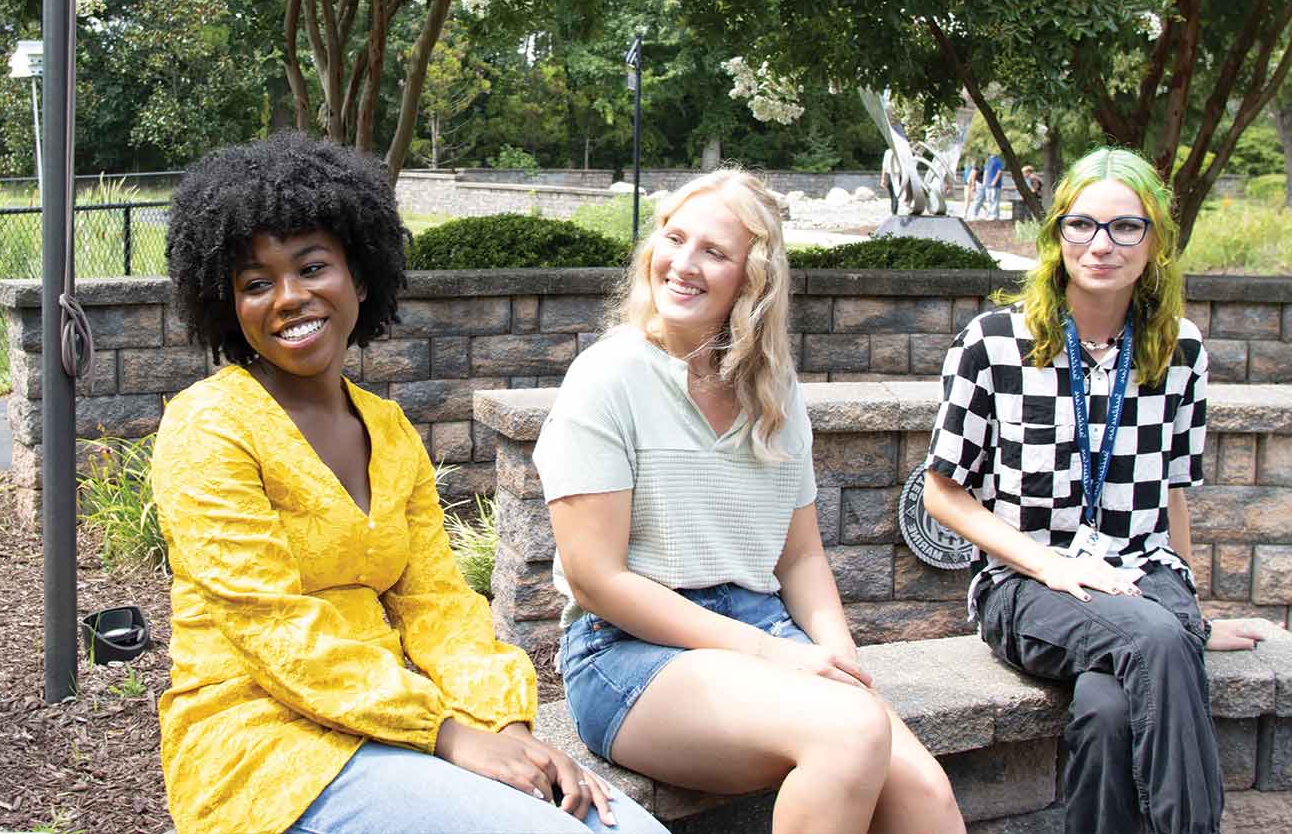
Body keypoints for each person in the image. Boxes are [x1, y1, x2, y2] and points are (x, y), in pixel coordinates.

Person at [151, 131, 668, 834]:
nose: (289, 297)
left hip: (400, 724)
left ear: (360, 276)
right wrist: (450, 735)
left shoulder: (389, 430)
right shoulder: (208, 427)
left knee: (622, 827)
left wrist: (505, 725)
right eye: (256, 283)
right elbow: (274, 630)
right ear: (229, 307)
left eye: (311, 267)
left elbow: (438, 604)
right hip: (265, 745)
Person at [534, 169, 965, 834]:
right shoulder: (608, 377)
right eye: (674, 239)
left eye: (714, 251)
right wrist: (774, 656)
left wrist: (841, 663)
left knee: (926, 799)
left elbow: (800, 560)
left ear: (752, 278)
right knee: (849, 735)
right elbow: (596, 579)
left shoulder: (775, 392)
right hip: (629, 652)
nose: (682, 263)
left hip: (760, 629)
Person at [922, 147, 1265, 834]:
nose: (1100, 245)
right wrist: (1055, 566)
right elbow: (943, 494)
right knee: (1159, 644)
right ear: (1056, 236)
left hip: (1144, 577)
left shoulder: (1181, 350)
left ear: (1154, 243)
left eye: (1125, 228)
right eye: (1082, 225)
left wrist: (1189, 612)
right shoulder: (993, 344)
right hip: (1028, 582)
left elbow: (1171, 494)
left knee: (1108, 709)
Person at [981, 153, 1004, 219]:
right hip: (987, 184)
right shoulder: (988, 160)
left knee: (995, 200)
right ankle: (993, 214)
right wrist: (984, 182)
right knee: (989, 199)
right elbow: (985, 171)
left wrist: (994, 181)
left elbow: (999, 171)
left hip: (996, 185)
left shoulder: (998, 161)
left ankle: (994, 216)